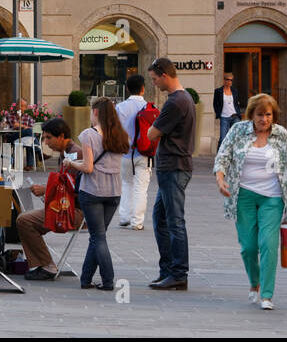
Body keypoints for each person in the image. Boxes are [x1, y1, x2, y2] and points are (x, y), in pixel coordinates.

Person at [214, 93, 287, 310]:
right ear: (251, 115)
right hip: (243, 195)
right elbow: (223, 156)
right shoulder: (238, 131)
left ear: (273, 115)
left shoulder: (281, 134)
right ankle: (255, 283)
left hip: (273, 197)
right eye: (260, 115)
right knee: (249, 247)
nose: (264, 119)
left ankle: (267, 294)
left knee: (268, 244)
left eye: (268, 115)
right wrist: (221, 179)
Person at [66, 97, 129, 290]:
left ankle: (108, 280)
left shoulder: (88, 135)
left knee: (98, 237)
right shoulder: (121, 134)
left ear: (95, 112)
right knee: (98, 235)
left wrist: (70, 164)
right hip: (114, 191)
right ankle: (85, 279)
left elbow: (88, 167)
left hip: (92, 190)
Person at [146, 57, 196, 292]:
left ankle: (178, 273)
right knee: (161, 219)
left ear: (164, 75)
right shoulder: (183, 99)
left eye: (155, 79)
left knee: (174, 222)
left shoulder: (176, 102)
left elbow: (152, 134)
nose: (154, 83)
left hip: (174, 166)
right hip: (173, 166)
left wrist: (152, 127)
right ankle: (168, 270)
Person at [18, 118, 81, 281]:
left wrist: (45, 189)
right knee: (23, 218)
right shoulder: (66, 152)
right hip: (65, 207)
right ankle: (43, 264)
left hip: (76, 211)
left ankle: (47, 266)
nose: (46, 142)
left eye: (48, 138)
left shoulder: (75, 153)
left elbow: (72, 187)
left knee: (25, 221)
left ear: (61, 136)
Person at [115, 74, 152, 230]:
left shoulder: (120, 107)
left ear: (127, 89)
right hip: (143, 153)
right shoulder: (149, 108)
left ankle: (124, 216)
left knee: (126, 184)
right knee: (140, 188)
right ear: (143, 89)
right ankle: (137, 221)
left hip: (124, 153)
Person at [214, 71, 246, 148]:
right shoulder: (218, 91)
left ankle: (235, 156)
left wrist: (238, 114)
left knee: (236, 138)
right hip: (224, 117)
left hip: (235, 117)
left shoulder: (234, 91)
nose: (229, 82)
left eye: (231, 80)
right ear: (224, 80)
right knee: (223, 139)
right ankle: (219, 157)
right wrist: (218, 113)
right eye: (228, 79)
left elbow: (236, 103)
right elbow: (215, 104)